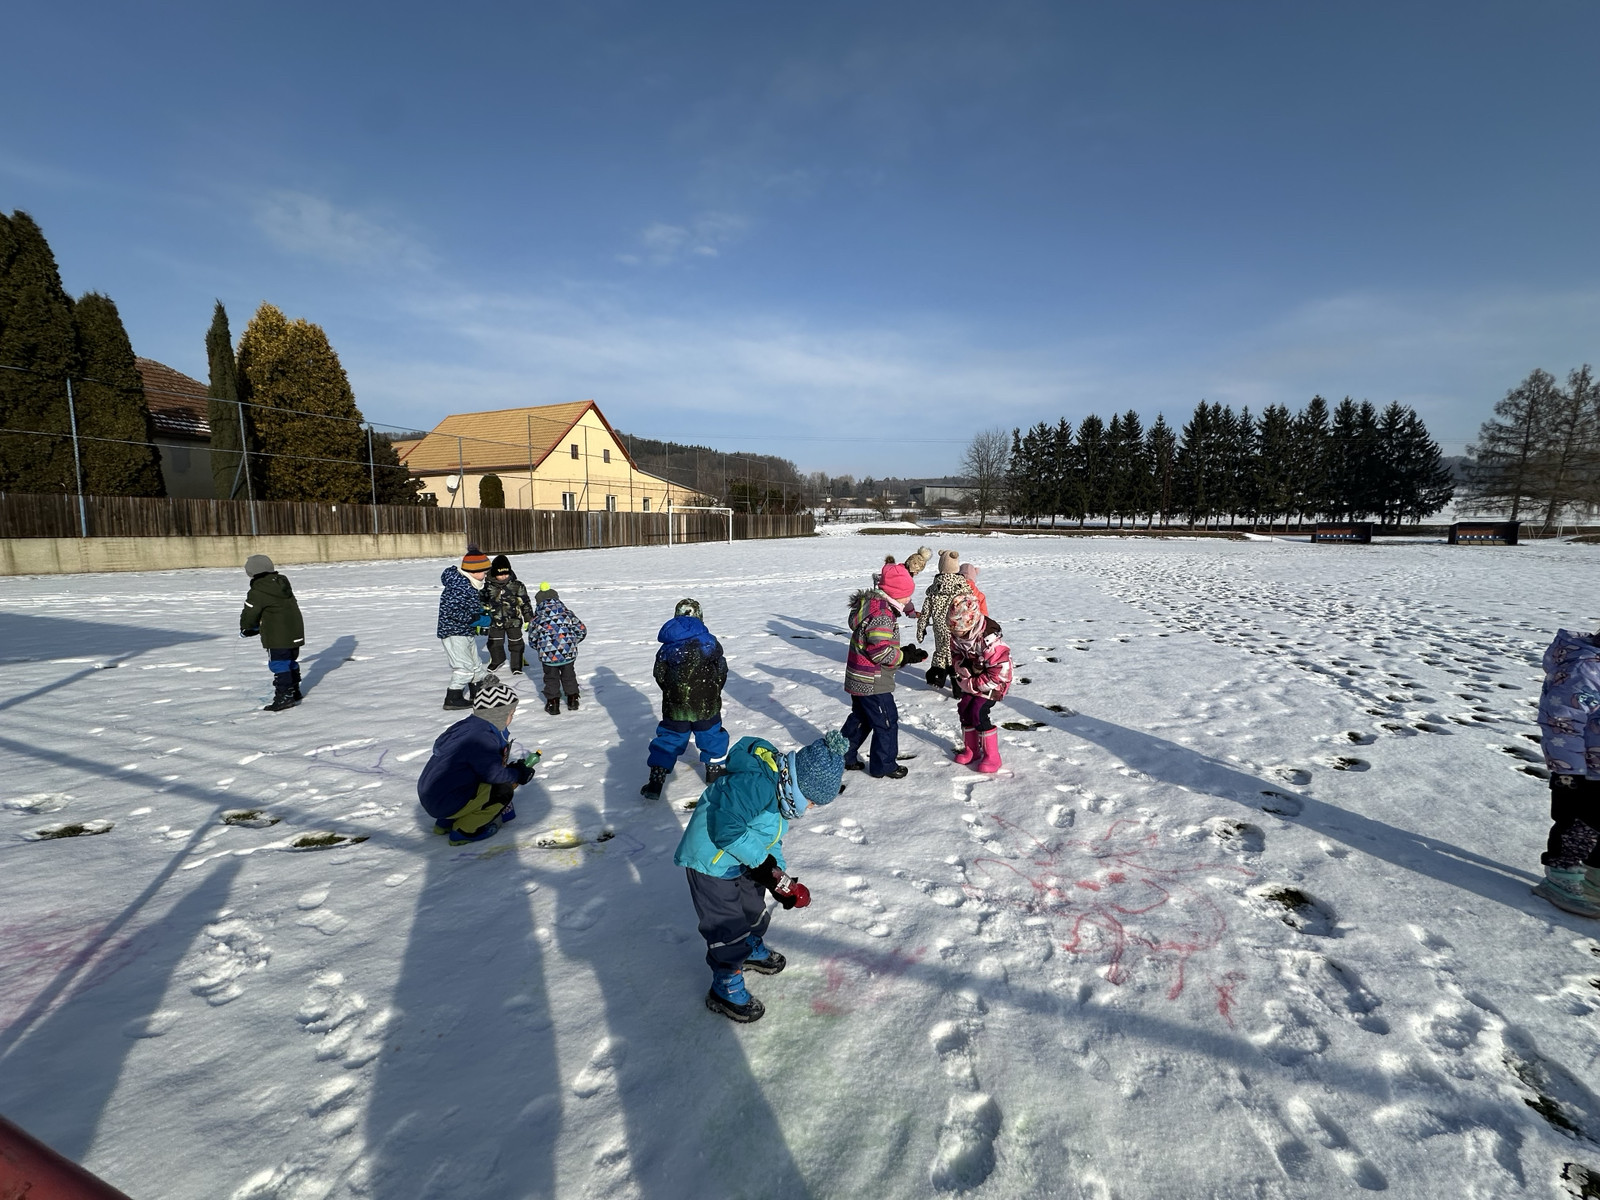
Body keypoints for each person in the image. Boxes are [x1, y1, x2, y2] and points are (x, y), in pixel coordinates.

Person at [674, 730, 848, 1021]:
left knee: (753, 908)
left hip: (742, 860)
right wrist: (765, 867)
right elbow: (726, 829)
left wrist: (779, 878)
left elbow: (770, 839)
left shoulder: (781, 794)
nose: (811, 808)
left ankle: (750, 947)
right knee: (726, 926)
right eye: (812, 801)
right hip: (710, 862)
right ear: (799, 785)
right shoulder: (757, 786)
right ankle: (725, 983)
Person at [416, 674, 540, 846]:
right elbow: (494, 775)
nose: (512, 718)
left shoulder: (468, 726)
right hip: (446, 800)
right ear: (498, 715)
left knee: (469, 782)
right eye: (511, 713)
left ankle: (444, 823)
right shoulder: (482, 739)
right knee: (502, 791)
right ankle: (464, 831)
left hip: (435, 794)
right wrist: (518, 773)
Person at [1534, 625, 1600, 917]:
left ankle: (1594, 880)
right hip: (1581, 771)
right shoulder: (1585, 669)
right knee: (1579, 825)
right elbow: (1561, 720)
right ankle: (1561, 878)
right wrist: (1569, 772)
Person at [642, 598, 730, 799]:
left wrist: (673, 692)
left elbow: (659, 674)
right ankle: (714, 771)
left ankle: (656, 779)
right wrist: (713, 691)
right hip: (706, 705)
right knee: (711, 734)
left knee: (670, 737)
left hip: (676, 707)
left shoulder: (667, 647)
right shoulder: (710, 643)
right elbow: (721, 671)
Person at [843, 560, 915, 778]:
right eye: (906, 595)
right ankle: (884, 765)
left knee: (862, 717)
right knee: (886, 722)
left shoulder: (870, 606)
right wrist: (903, 656)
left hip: (858, 677)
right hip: (873, 680)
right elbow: (880, 651)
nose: (909, 600)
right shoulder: (883, 614)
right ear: (895, 594)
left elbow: (877, 642)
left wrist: (900, 651)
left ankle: (842, 754)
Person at [948, 593, 1013, 774]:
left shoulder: (990, 641)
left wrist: (975, 683)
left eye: (959, 630)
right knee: (965, 708)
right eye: (953, 630)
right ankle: (972, 750)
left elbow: (999, 672)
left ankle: (992, 756)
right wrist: (961, 667)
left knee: (978, 711)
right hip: (972, 679)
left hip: (994, 683)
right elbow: (955, 654)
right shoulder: (957, 636)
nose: (955, 634)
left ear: (970, 624)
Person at [239, 553, 306, 712]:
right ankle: (294, 691)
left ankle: (284, 697)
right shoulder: (281, 583)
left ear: (252, 572)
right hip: (294, 631)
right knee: (290, 661)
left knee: (278, 663)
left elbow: (250, 612)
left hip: (277, 636)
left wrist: (246, 628)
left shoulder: (259, 590)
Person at [438, 546, 492, 710]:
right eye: (484, 572)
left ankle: (477, 691)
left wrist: (481, 612)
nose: (485, 575)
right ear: (474, 571)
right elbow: (453, 611)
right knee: (464, 667)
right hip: (453, 632)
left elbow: (468, 606)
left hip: (464, 632)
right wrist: (476, 619)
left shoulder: (468, 584)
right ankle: (453, 698)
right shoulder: (459, 587)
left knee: (475, 663)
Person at [917, 550, 973, 691]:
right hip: (959, 628)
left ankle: (938, 677)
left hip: (940, 629)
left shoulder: (934, 590)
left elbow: (925, 613)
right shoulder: (964, 589)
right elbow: (972, 609)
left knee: (941, 652)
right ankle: (957, 685)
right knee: (957, 655)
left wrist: (921, 629)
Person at [530, 583, 587, 715]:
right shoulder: (567, 614)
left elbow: (533, 638)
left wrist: (540, 648)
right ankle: (573, 700)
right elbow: (581, 630)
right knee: (569, 675)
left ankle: (553, 703)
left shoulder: (537, 619)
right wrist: (573, 642)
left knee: (551, 678)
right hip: (568, 652)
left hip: (548, 655)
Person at [482, 554, 533, 674]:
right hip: (495, 620)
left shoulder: (517, 585)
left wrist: (529, 619)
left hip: (513, 620)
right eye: (500, 574)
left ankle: (517, 665)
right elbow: (481, 602)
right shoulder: (487, 587)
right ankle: (497, 660)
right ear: (494, 573)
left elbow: (525, 602)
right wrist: (483, 613)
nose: (504, 576)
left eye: (506, 573)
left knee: (516, 643)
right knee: (494, 643)